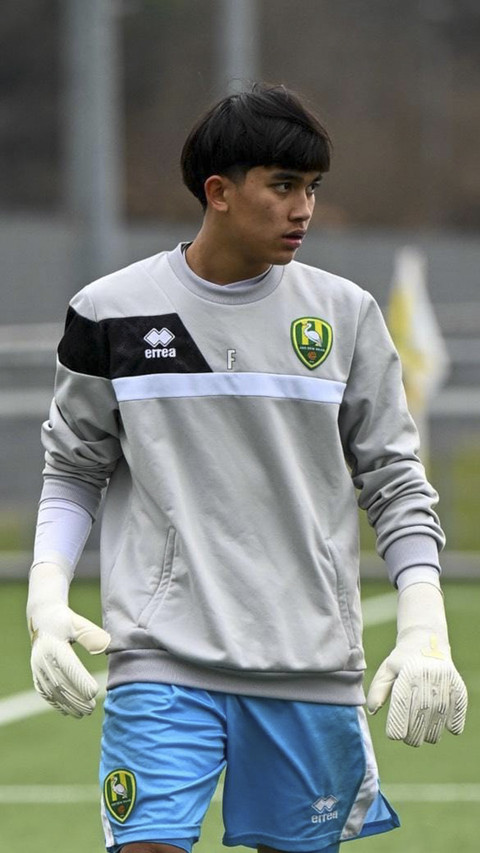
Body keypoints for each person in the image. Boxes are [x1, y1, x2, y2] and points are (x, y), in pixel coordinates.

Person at [26, 83, 467, 853]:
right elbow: (74, 465)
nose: (304, 209)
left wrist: (425, 622)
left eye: (312, 189)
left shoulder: (345, 314)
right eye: (284, 185)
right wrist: (45, 594)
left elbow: (395, 482)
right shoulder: (110, 311)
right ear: (219, 192)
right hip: (160, 658)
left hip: (311, 665)